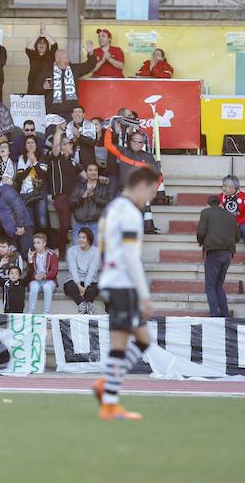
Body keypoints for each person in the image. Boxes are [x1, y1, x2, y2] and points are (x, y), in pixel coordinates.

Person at [92, 166, 160, 421]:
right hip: (122, 282)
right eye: (151, 191)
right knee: (120, 345)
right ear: (142, 185)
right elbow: (131, 256)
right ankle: (109, 404)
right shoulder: (131, 212)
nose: (150, 198)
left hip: (111, 279)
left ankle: (106, 383)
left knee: (143, 339)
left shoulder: (113, 208)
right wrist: (144, 294)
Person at [197, 196, 240, 318]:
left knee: (210, 285)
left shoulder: (206, 212)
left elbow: (200, 232)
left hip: (213, 252)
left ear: (208, 204)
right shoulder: (230, 215)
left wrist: (201, 241)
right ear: (220, 204)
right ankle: (225, 314)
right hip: (228, 253)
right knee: (218, 285)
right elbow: (237, 237)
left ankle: (215, 315)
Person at [32, 44, 97, 120]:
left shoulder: (74, 69)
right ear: (57, 59)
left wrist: (91, 53)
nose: (67, 60)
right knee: (53, 131)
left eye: (68, 58)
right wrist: (42, 87)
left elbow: (89, 65)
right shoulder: (47, 71)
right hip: (53, 112)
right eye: (65, 58)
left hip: (71, 113)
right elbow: (35, 88)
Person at [49, 124, 82, 254]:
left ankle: (69, 243)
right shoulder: (57, 158)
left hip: (73, 197)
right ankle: (60, 249)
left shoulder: (73, 161)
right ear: (63, 146)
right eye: (68, 143)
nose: (71, 145)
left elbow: (86, 175)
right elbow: (55, 147)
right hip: (61, 197)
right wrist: (58, 132)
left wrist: (100, 179)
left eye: (71, 144)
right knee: (64, 224)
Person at [0, 180, 33, 257]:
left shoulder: (8, 192)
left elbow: (18, 208)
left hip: (23, 228)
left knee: (27, 255)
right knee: (15, 256)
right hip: (12, 232)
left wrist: (20, 225)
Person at [14, 136, 49, 233]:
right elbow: (19, 177)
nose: (30, 145)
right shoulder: (22, 158)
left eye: (32, 142)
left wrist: (34, 161)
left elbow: (43, 175)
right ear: (25, 146)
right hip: (25, 194)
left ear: (36, 145)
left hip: (40, 192)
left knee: (42, 222)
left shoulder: (43, 157)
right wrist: (29, 167)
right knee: (29, 223)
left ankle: (44, 244)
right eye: (28, 143)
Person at [70, 163, 109, 247]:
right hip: (79, 224)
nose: (93, 172)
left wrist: (93, 196)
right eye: (90, 170)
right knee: (77, 250)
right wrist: (83, 197)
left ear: (98, 173)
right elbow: (71, 203)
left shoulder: (102, 187)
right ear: (86, 172)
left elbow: (106, 203)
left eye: (95, 170)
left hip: (95, 224)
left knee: (95, 252)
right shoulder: (79, 186)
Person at [63, 227, 101, 314]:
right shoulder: (71, 250)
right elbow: (73, 269)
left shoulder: (95, 251)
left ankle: (86, 309)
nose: (80, 240)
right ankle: (83, 306)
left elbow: (92, 270)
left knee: (93, 289)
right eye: (79, 237)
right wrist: (79, 285)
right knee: (69, 287)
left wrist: (86, 285)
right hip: (75, 280)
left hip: (90, 281)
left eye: (83, 237)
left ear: (89, 239)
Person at [219, 175, 245, 265]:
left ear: (232, 188)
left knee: (244, 227)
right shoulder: (220, 198)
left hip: (239, 227)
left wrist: (237, 224)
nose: (222, 188)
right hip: (226, 227)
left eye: (224, 186)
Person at [26, 232, 58, 315]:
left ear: (44, 243)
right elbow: (29, 273)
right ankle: (31, 312)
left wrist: (44, 275)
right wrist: (29, 260)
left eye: (38, 243)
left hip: (49, 280)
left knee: (47, 287)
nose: (36, 245)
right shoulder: (32, 255)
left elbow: (54, 271)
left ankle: (47, 313)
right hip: (36, 280)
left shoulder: (52, 255)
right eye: (34, 243)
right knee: (33, 287)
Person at [25, 24, 58, 93]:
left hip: (47, 88)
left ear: (47, 46)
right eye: (39, 43)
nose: (41, 45)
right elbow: (28, 48)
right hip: (33, 87)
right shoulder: (33, 55)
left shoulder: (51, 55)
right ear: (36, 45)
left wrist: (44, 32)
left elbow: (54, 44)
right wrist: (38, 34)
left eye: (44, 43)